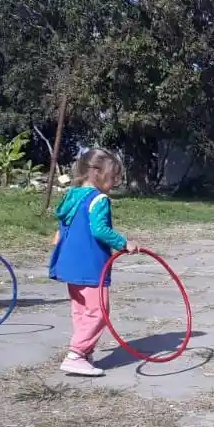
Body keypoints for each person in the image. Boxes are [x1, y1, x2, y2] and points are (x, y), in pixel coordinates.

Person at [48, 149, 138, 377]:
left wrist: (60, 235)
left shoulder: (73, 194)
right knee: (99, 311)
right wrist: (123, 243)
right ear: (96, 173)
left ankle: (84, 352)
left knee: (81, 310)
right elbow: (100, 230)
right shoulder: (99, 200)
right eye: (113, 175)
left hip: (70, 264)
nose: (115, 181)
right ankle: (76, 355)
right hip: (90, 264)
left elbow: (64, 223)